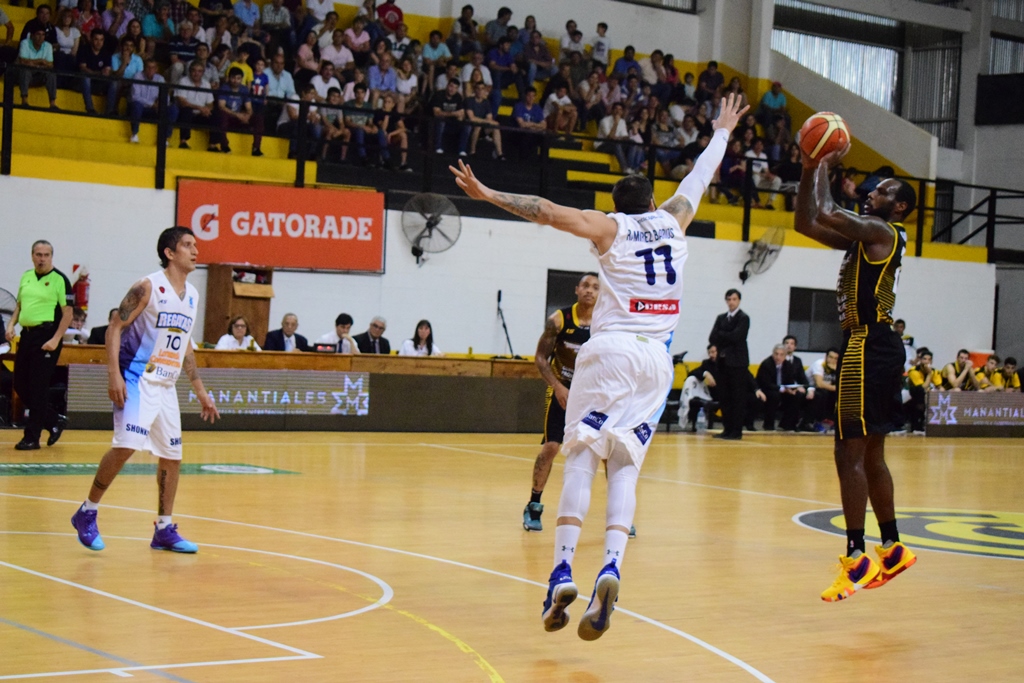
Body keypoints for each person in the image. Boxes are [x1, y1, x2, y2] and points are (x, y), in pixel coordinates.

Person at [451, 92, 746, 641]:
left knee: (582, 459)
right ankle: (611, 565)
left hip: (609, 352)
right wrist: (723, 131)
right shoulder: (674, 221)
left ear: (617, 206)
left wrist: (487, 193)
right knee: (626, 466)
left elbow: (545, 210)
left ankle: (562, 571)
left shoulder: (611, 229)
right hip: (656, 362)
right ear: (653, 199)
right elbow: (700, 176)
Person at [794, 136, 919, 601]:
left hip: (867, 345)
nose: (871, 193)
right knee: (871, 454)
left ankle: (856, 557)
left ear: (899, 206)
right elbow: (806, 222)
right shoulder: (868, 238)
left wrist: (821, 161)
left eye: (882, 191)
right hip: (879, 346)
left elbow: (827, 210)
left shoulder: (881, 232)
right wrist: (807, 169)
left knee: (847, 453)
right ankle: (892, 547)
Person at [70, 227, 220, 553]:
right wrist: (114, 375)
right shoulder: (148, 287)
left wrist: (200, 391)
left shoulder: (192, 296)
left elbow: (186, 346)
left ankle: (164, 529)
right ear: (170, 252)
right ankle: (87, 511)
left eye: (196, 245)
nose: (196, 250)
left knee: (172, 457)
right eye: (188, 245)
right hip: (137, 379)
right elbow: (115, 327)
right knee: (126, 446)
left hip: (167, 385)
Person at [523, 272, 599, 532]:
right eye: (585, 285)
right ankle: (534, 505)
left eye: (595, 287)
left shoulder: (606, 322)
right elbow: (540, 358)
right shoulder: (558, 320)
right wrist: (557, 387)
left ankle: (619, 516)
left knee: (607, 451)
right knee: (551, 447)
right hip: (562, 388)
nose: (590, 290)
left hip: (592, 393)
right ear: (577, 289)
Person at [6, 240, 74, 450]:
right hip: (27, 335)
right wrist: (11, 324)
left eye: (46, 255)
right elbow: (19, 305)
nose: (42, 258)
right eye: (38, 254)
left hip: (47, 336)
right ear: (32, 256)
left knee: (38, 387)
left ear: (51, 256)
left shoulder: (60, 280)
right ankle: (53, 420)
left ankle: (32, 437)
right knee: (20, 384)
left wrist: (55, 339)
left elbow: (68, 314)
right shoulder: (26, 276)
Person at [708, 288, 750, 440]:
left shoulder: (743, 318)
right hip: (723, 362)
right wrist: (727, 336)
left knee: (737, 398)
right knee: (725, 397)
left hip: (738, 363)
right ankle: (727, 429)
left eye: (734, 299)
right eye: (729, 299)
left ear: (739, 300)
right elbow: (712, 337)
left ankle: (736, 431)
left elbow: (737, 337)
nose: (731, 302)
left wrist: (722, 335)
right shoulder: (721, 318)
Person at [756, 344, 806, 431]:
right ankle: (768, 425)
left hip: (782, 390)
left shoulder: (788, 365)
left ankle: (787, 424)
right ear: (773, 354)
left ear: (785, 356)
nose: (778, 357)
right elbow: (766, 383)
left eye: (781, 355)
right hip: (767, 390)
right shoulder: (766, 364)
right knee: (774, 396)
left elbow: (790, 381)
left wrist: (793, 389)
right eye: (776, 354)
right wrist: (783, 389)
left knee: (796, 395)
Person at [17, 27, 59, 109]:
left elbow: (50, 64)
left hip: (39, 74)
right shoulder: (25, 43)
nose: (41, 37)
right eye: (38, 34)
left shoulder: (48, 45)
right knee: (25, 71)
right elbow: (23, 61)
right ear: (32, 36)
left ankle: (52, 104)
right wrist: (40, 61)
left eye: (43, 35)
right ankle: (24, 101)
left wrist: (33, 63)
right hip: (23, 75)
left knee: (51, 74)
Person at [682, 344, 720, 432]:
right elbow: (691, 373)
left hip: (725, 392)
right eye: (709, 353)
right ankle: (694, 424)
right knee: (695, 399)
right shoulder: (707, 363)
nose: (711, 355)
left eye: (713, 352)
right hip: (711, 392)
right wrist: (705, 373)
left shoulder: (726, 363)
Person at [906, 347, 941, 433]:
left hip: (924, 392)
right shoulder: (913, 371)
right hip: (911, 392)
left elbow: (940, 387)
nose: (926, 361)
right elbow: (922, 388)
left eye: (929, 359)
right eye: (924, 359)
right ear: (920, 360)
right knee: (921, 393)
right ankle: (916, 424)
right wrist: (929, 374)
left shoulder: (934, 371)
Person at [809, 347, 839, 430]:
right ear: (826, 356)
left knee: (839, 394)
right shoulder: (819, 364)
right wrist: (836, 388)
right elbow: (819, 384)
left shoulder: (839, 366)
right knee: (823, 393)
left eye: (835, 358)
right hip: (810, 388)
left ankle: (832, 420)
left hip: (826, 389)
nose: (832, 360)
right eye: (831, 357)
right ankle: (816, 421)